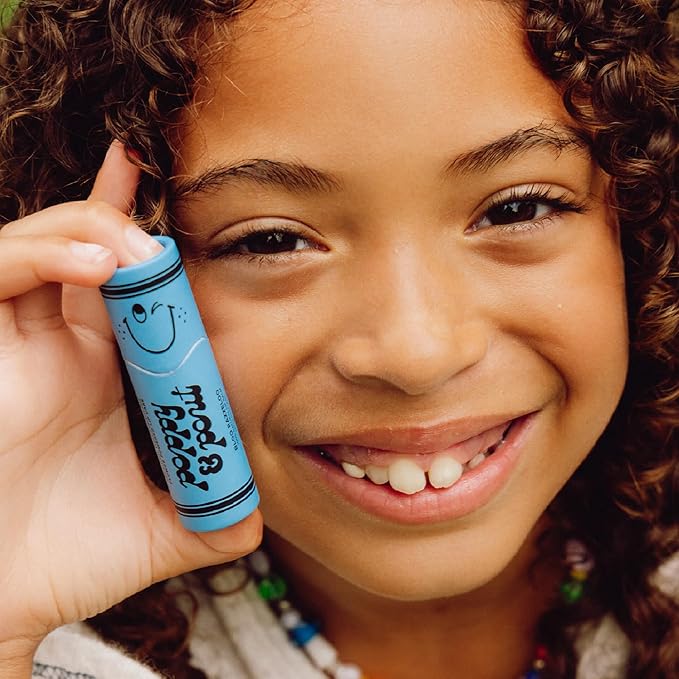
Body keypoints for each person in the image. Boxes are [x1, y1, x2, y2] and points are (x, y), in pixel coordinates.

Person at [0, 1, 676, 678]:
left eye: (516, 208)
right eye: (271, 241)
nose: (417, 354)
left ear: (644, 222)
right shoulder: (40, 621)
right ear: (118, 297)